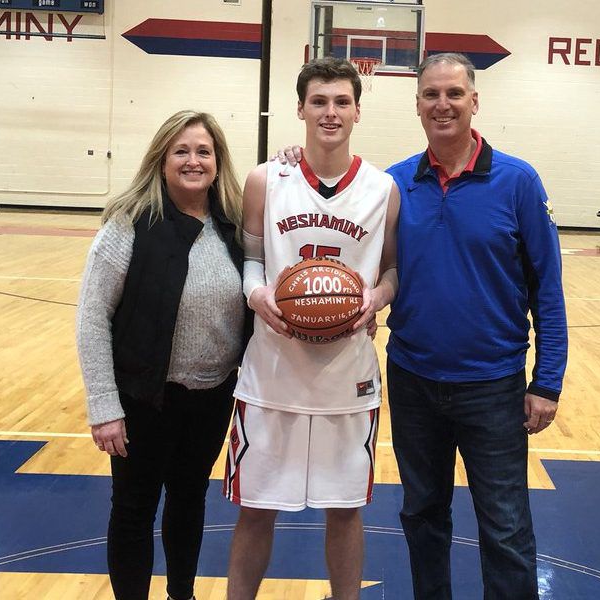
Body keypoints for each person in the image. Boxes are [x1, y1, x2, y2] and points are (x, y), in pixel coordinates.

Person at [277, 52, 567, 599]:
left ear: (474, 101)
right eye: (431, 95)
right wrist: (295, 157)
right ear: (417, 106)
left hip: (492, 384)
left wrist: (547, 380)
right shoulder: (392, 186)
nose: (443, 105)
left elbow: (547, 290)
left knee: (505, 528)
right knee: (423, 517)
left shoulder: (518, 182)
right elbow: (352, 241)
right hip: (412, 379)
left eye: (454, 94)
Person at [224, 57, 399, 600]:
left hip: (348, 376)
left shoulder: (383, 188)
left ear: (357, 112)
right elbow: (250, 258)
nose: (330, 112)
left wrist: (376, 298)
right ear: (300, 108)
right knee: (255, 510)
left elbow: (392, 268)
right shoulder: (265, 179)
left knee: (345, 512)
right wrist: (256, 295)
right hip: (270, 371)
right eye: (319, 101)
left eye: (341, 102)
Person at [76, 110, 251, 600]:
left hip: (211, 397)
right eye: (181, 151)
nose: (193, 161)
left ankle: (182, 595)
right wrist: (104, 406)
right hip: (141, 398)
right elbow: (91, 317)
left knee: (189, 501)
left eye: (203, 151)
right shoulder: (129, 225)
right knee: (133, 508)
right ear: (161, 159)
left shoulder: (233, 227)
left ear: (218, 162)